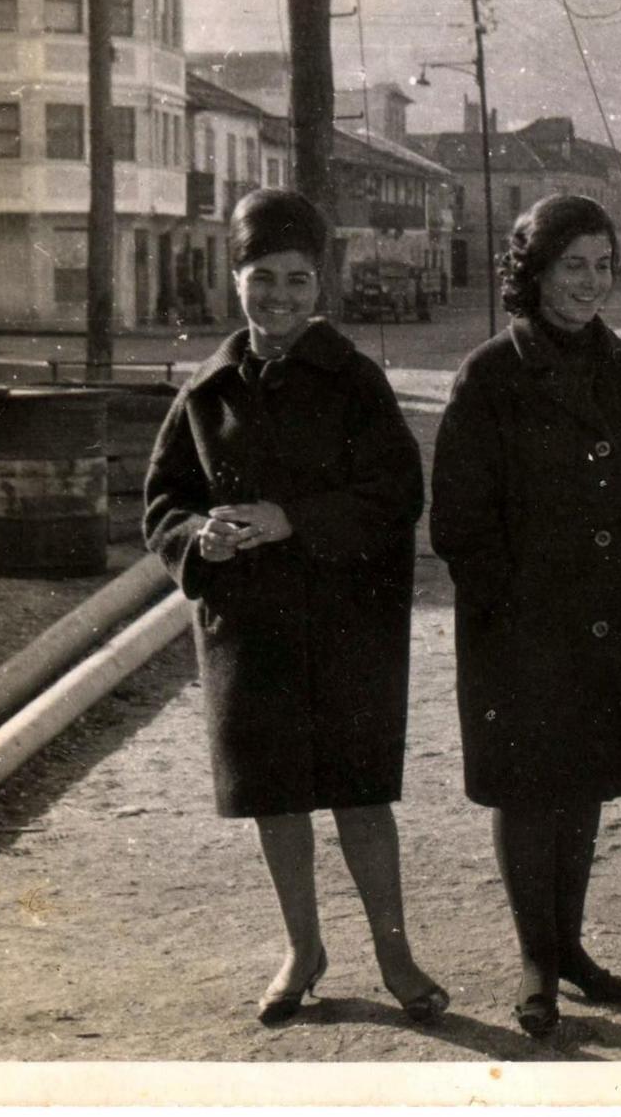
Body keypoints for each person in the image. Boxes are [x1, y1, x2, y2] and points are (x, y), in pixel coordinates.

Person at [143, 189, 448, 1028]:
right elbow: (162, 502)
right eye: (262, 279)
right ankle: (303, 948)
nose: (279, 297)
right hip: (248, 627)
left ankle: (396, 957)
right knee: (275, 795)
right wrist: (195, 539)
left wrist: (292, 520)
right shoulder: (205, 393)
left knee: (358, 795)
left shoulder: (356, 383)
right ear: (235, 280)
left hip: (346, 624)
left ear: (322, 287)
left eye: (298, 281)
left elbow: (396, 493)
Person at [431, 194, 621, 1039]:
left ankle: (570, 947)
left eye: (603, 266)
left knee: (585, 783)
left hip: (611, 624)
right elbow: (460, 525)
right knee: (529, 787)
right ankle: (535, 958)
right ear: (534, 272)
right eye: (572, 265)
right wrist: (518, 609)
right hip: (523, 630)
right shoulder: (491, 376)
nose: (589, 283)